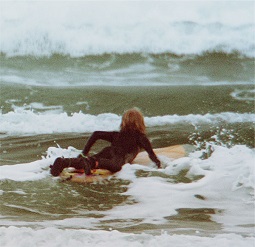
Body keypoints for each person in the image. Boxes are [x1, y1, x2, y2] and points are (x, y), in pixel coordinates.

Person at [50, 108, 161, 176]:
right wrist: (159, 166)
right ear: (140, 122)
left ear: (123, 122)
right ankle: (90, 163)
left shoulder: (116, 135)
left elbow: (96, 134)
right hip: (118, 157)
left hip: (107, 152)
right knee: (116, 166)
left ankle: (64, 162)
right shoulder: (141, 137)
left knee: (90, 159)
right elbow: (151, 155)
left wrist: (84, 152)